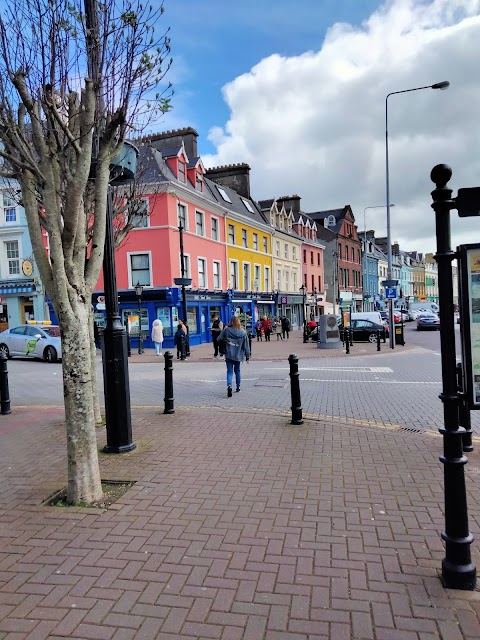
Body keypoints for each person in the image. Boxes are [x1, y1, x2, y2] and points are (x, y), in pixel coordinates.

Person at [217, 316, 250, 397]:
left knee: (229, 371)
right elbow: (246, 346)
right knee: (237, 371)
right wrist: (247, 356)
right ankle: (238, 387)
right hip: (238, 355)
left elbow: (218, 339)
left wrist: (225, 340)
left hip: (229, 354)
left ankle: (229, 386)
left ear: (231, 322)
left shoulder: (226, 330)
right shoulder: (243, 332)